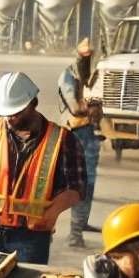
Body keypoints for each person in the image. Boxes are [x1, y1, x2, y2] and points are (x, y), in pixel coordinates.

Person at [0, 72, 83, 264]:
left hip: (32, 236)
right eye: (5, 113)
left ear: (33, 104)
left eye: (16, 112)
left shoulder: (62, 139)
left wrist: (52, 212)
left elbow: (76, 189)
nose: (9, 118)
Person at [57, 38, 104, 249]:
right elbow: (75, 108)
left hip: (88, 133)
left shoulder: (87, 77)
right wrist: (92, 107)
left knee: (89, 182)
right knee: (77, 183)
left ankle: (81, 224)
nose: (88, 60)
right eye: (85, 57)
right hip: (75, 133)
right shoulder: (69, 76)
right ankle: (74, 233)